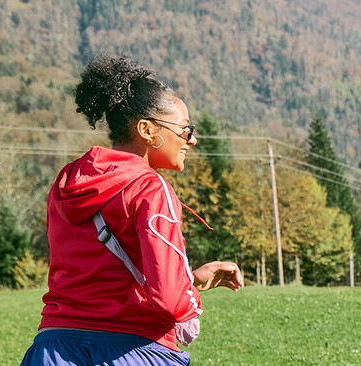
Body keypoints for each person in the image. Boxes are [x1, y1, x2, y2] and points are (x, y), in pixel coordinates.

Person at [21, 56, 244, 366]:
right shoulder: (150, 188)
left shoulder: (67, 181)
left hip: (52, 349)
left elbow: (98, 276)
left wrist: (189, 279)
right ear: (147, 130)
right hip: (130, 349)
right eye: (185, 129)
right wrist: (189, 296)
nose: (192, 140)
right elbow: (169, 299)